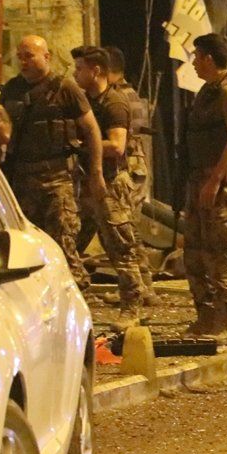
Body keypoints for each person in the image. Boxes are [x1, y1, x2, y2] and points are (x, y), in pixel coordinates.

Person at [0, 35, 105, 292]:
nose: (23, 62)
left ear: (46, 57)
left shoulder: (64, 88)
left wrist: (96, 173)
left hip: (57, 181)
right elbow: (1, 130)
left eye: (29, 56)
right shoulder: (12, 90)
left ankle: (76, 304)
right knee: (28, 250)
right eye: (20, 56)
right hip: (22, 183)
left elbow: (91, 130)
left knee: (64, 246)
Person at [70, 46, 148, 328]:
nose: (76, 73)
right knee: (70, 245)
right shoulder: (84, 101)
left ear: (96, 71)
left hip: (111, 184)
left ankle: (133, 307)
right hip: (85, 184)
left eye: (80, 68)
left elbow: (117, 145)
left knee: (120, 248)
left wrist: (82, 145)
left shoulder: (113, 102)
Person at [180, 33, 227, 341]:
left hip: (219, 183)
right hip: (198, 179)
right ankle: (206, 315)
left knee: (221, 250)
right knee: (194, 250)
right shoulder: (206, 91)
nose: (193, 62)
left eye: (196, 56)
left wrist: (215, 180)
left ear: (209, 58)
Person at [102, 45, 157, 299]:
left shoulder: (118, 97)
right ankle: (144, 286)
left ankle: (137, 288)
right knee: (131, 230)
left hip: (128, 167)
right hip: (137, 165)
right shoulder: (130, 93)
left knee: (124, 231)